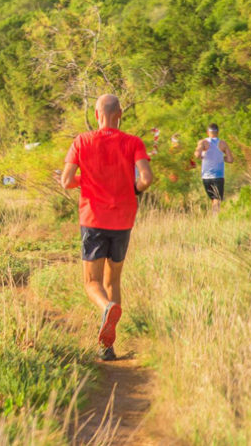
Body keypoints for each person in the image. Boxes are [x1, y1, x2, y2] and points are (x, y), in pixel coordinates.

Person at [61, 94, 153, 361]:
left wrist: (86, 180)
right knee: (113, 280)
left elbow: (66, 181)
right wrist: (131, 187)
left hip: (93, 219)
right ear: (120, 113)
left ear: (97, 112)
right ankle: (107, 347)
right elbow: (146, 178)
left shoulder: (82, 141)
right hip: (123, 219)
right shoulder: (133, 142)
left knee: (92, 283)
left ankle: (106, 308)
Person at [195, 123, 234, 213]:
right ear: (218, 132)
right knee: (217, 199)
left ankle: (213, 218)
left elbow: (197, 154)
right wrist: (221, 157)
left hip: (206, 177)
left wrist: (201, 156)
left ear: (207, 132)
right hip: (218, 176)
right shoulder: (223, 143)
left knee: (213, 199)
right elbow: (230, 160)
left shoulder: (203, 142)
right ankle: (215, 220)